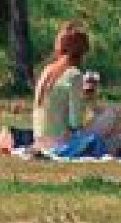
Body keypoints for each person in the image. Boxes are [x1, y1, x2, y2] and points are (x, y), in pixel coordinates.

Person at [22, 23, 93, 152]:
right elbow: (76, 122)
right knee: (112, 116)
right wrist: (86, 99)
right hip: (61, 142)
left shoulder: (47, 71)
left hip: (39, 140)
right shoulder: (74, 75)